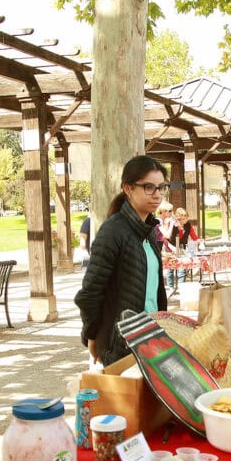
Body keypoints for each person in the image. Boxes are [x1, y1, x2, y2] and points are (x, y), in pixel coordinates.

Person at [75, 155, 169, 366]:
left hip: (151, 338)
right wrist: (91, 335)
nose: (158, 195)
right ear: (128, 188)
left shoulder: (149, 232)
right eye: (148, 187)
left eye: (162, 187)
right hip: (121, 344)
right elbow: (90, 291)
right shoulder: (113, 231)